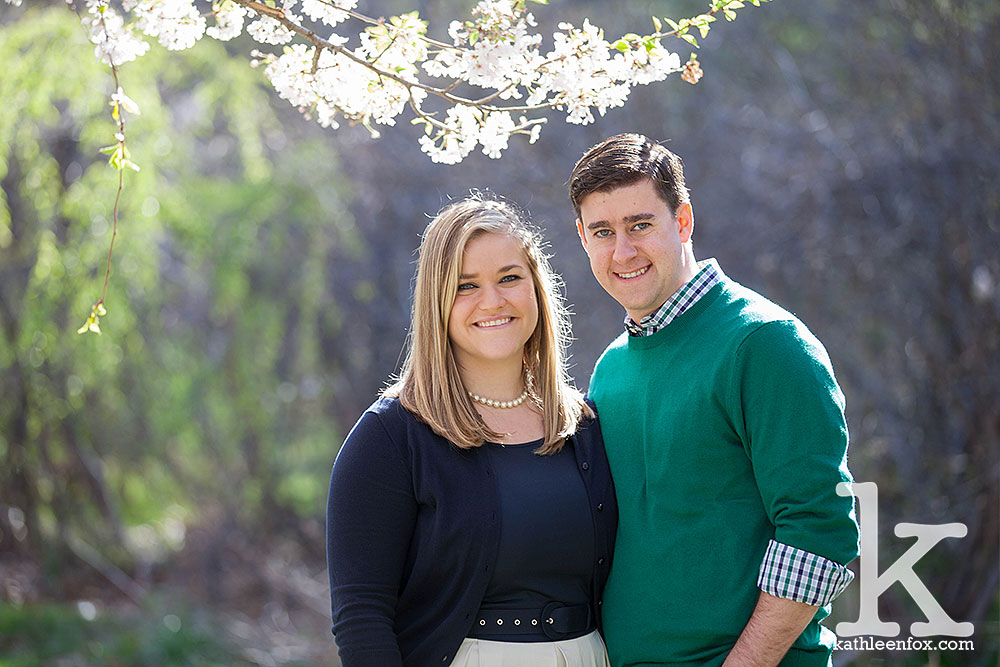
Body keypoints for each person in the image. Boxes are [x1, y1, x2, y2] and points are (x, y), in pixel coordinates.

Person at [568, 133, 859, 667]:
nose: (623, 252)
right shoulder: (611, 369)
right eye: (603, 232)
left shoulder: (764, 343)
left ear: (682, 221)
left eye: (640, 225)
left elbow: (820, 532)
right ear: (583, 239)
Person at [326, 194, 618, 667]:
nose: (493, 301)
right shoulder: (390, 437)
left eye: (509, 278)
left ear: (536, 287)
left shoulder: (583, 427)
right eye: (466, 285)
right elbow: (361, 617)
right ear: (437, 301)